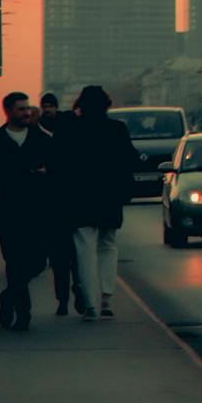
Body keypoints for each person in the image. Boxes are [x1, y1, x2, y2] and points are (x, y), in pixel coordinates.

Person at [0, 92, 60, 332]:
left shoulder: (41, 139)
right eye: (21, 109)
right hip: (8, 212)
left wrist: (47, 174)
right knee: (14, 262)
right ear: (8, 111)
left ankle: (9, 296)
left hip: (37, 211)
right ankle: (23, 313)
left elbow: (58, 168)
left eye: (27, 108)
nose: (26, 113)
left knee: (36, 262)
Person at [58, 85, 139, 319]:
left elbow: (59, 165)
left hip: (79, 198)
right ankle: (106, 297)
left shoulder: (71, 130)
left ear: (80, 104)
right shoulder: (116, 129)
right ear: (106, 104)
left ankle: (91, 304)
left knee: (84, 250)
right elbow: (130, 159)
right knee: (108, 246)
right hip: (109, 197)